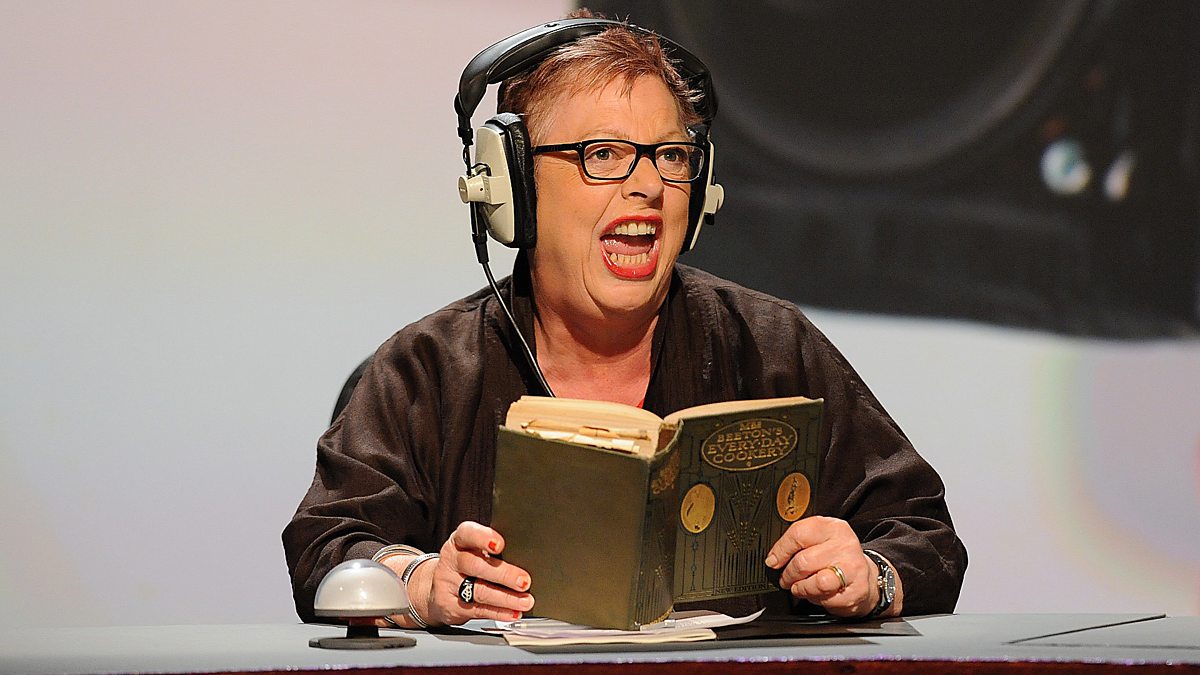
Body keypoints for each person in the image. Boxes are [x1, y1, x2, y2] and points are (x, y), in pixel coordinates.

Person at [283, 13, 966, 629]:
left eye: (670, 156)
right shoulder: (426, 370)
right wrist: (421, 582)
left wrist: (870, 577)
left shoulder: (772, 347)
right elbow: (327, 544)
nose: (648, 185)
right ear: (513, 186)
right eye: (602, 154)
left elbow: (924, 535)